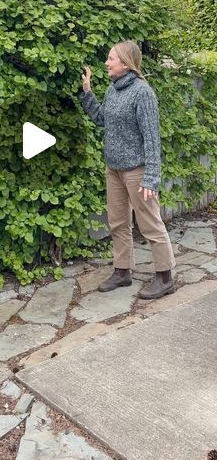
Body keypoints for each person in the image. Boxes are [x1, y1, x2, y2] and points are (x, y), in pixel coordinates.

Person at [79, 40, 176, 300]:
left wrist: (151, 177)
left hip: (137, 171)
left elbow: (152, 138)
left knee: (150, 224)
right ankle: (122, 272)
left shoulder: (142, 92)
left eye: (111, 59)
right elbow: (102, 120)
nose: (106, 63)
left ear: (125, 62)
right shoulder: (113, 90)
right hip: (114, 169)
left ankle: (165, 277)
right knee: (118, 223)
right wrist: (87, 93)